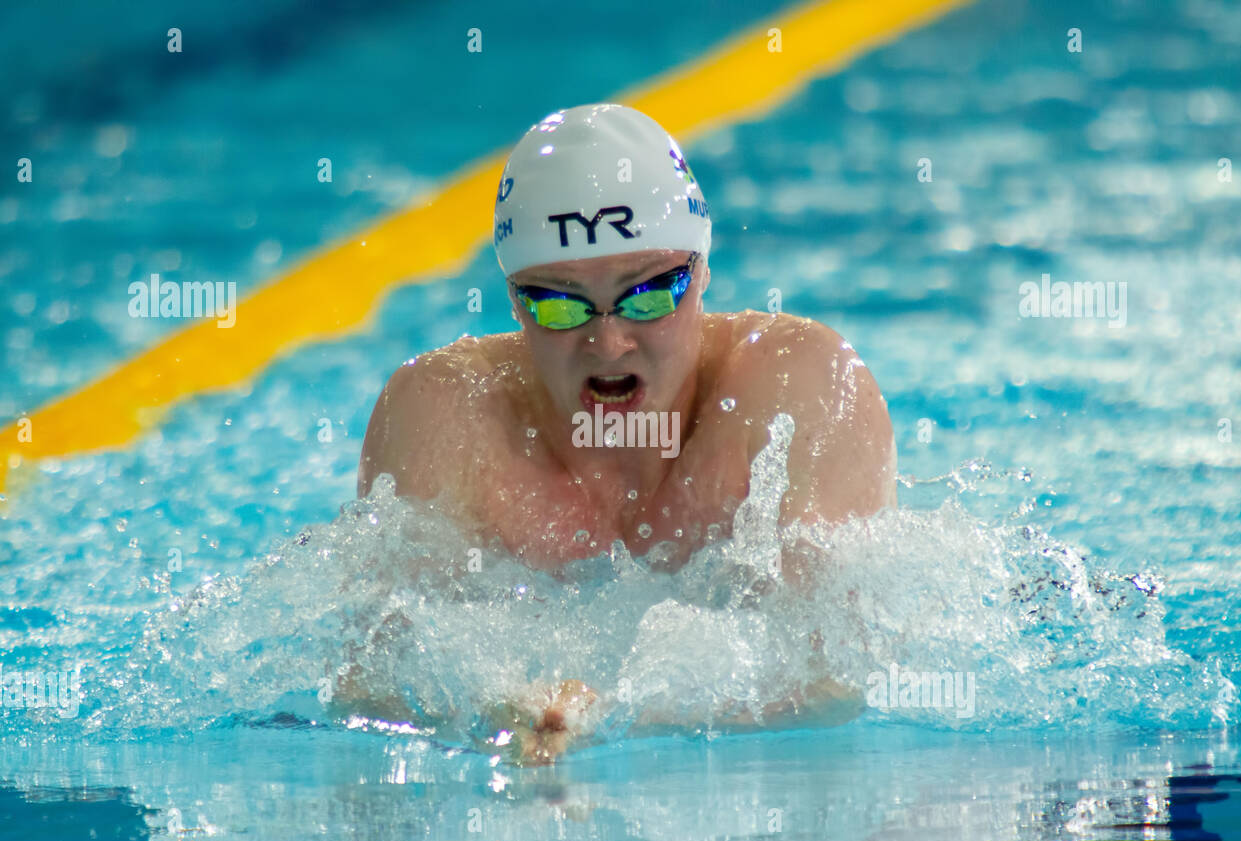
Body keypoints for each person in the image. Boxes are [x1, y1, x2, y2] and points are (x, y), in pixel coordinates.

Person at [354, 103, 896, 761]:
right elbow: (371, 688)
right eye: (558, 303)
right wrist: (489, 713)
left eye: (648, 295)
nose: (607, 342)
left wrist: (619, 720)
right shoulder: (445, 414)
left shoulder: (798, 388)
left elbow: (835, 681)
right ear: (514, 301)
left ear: (701, 274)